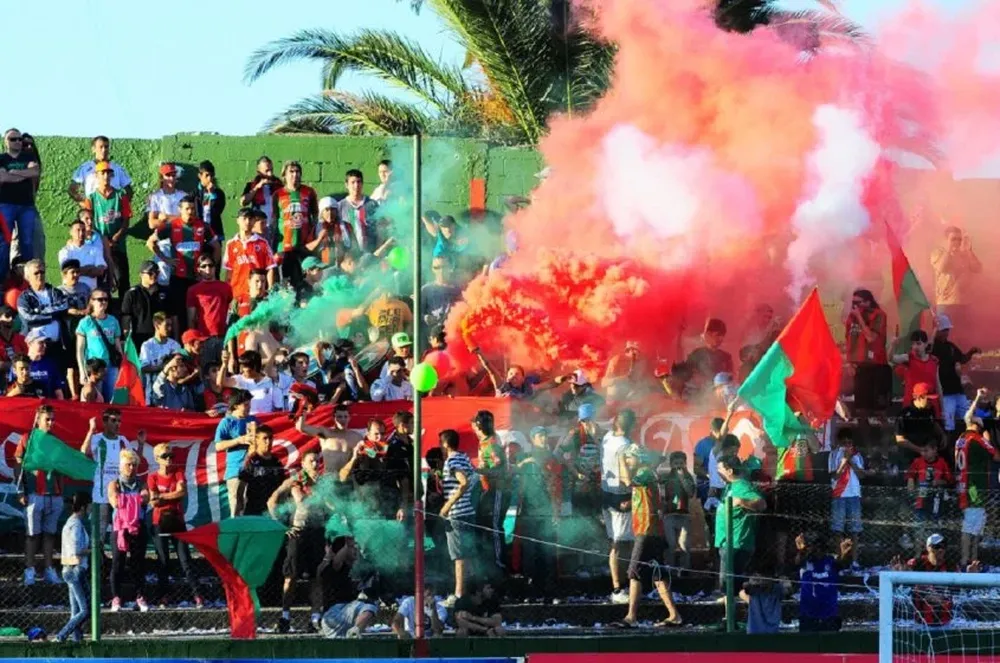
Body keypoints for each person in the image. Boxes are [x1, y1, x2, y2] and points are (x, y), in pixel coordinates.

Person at [617, 444, 682, 628]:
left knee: (634, 572)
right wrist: (631, 504)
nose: (628, 462)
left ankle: (631, 616)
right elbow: (646, 497)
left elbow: (627, 481)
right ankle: (674, 615)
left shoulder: (644, 472)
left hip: (646, 530)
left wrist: (620, 458)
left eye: (630, 458)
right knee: (658, 575)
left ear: (638, 458)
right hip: (653, 529)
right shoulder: (647, 473)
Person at [147, 195, 221, 332]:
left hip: (197, 277)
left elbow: (216, 246)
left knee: (199, 311)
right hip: (178, 277)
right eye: (187, 209)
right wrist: (165, 259)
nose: (190, 211)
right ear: (180, 210)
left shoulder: (203, 226)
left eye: (192, 208)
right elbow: (150, 242)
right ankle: (178, 340)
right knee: (177, 312)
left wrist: (211, 269)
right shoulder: (171, 226)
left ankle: (199, 337)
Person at [271, 450, 325, 633]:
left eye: (317, 461)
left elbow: (332, 505)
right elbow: (275, 501)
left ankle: (315, 619)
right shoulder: (295, 481)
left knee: (316, 577)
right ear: (302, 463)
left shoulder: (323, 483)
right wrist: (281, 526)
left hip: (317, 532)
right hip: (298, 533)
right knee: (291, 576)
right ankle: (285, 617)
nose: (315, 464)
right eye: (311, 461)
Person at [147, 443, 202, 608]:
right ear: (157, 459)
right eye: (165, 456)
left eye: (171, 456)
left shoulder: (178, 473)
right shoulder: (152, 477)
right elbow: (154, 502)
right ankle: (163, 596)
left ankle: (197, 595)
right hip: (159, 522)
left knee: (185, 560)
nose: (169, 459)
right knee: (163, 560)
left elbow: (182, 493)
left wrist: (162, 496)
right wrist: (171, 496)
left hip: (177, 521)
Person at [14, 404, 64, 585]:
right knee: (32, 535)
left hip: (54, 494)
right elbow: (18, 464)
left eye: (52, 419)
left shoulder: (56, 441)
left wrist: (60, 492)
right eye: (47, 419)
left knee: (50, 534)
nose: (50, 423)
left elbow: (62, 467)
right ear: (38, 420)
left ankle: (49, 570)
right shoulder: (27, 438)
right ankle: (29, 570)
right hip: (34, 494)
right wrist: (20, 490)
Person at [82, 408, 145, 544]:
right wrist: (91, 430)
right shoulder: (97, 438)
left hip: (121, 495)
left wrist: (140, 444)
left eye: (119, 421)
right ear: (105, 422)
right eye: (113, 420)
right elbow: (84, 452)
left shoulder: (123, 440)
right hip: (102, 494)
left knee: (122, 530)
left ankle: (119, 555)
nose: (117, 424)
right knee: (99, 532)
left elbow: (134, 461)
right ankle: (97, 556)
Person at [891, 533, 982, 627]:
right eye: (937, 546)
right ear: (928, 548)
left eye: (943, 546)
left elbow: (961, 591)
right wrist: (900, 575)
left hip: (946, 623)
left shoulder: (951, 566)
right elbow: (904, 588)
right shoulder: (917, 563)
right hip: (920, 623)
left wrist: (970, 577)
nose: (940, 549)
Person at [956, 392, 1000, 568]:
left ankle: (971, 560)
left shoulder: (961, 439)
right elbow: (996, 456)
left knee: (972, 528)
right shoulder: (977, 439)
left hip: (964, 486)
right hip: (975, 490)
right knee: (970, 529)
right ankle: (966, 561)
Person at [107, 448, 150, 612]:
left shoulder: (141, 483)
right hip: (120, 529)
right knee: (118, 563)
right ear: (121, 466)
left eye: (134, 465)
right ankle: (116, 597)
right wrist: (134, 499)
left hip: (137, 526)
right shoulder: (115, 483)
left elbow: (146, 497)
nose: (132, 468)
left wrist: (128, 499)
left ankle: (140, 596)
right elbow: (115, 501)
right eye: (128, 464)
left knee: (138, 563)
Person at [81, 161, 131, 301]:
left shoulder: (121, 195)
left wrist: (115, 237)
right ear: (96, 176)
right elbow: (88, 221)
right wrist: (103, 240)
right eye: (102, 173)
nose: (105, 176)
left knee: (122, 280)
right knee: (102, 281)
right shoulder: (91, 198)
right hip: (99, 245)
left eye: (108, 173)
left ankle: (124, 311)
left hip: (118, 244)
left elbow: (126, 219)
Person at [715, 455, 766, 590]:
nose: (717, 472)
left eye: (719, 469)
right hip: (726, 541)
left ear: (729, 471)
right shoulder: (729, 487)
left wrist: (742, 501)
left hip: (736, 542)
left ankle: (733, 601)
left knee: (729, 584)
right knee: (726, 583)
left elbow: (761, 504)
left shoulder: (742, 486)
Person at [439, 429, 477, 605]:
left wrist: (447, 506)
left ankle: (459, 594)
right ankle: (470, 592)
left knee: (459, 556)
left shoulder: (453, 460)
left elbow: (464, 482)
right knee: (468, 555)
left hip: (457, 514)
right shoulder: (465, 458)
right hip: (468, 512)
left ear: (445, 444)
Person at [471, 410, 510, 577]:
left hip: (498, 489)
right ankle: (490, 561)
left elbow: (499, 468)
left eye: (475, 425)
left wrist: (477, 470)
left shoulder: (491, 443)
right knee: (485, 524)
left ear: (478, 426)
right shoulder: (486, 441)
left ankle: (500, 563)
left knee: (494, 526)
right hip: (489, 489)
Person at [317, 537, 378, 639]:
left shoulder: (355, 569)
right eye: (352, 547)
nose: (355, 550)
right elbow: (337, 561)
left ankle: (354, 632)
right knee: (369, 605)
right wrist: (347, 543)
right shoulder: (334, 567)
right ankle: (355, 632)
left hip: (346, 616)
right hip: (335, 614)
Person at [271, 160, 318, 286]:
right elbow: (274, 220)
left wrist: (312, 237)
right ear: (284, 175)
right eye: (291, 172)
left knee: (305, 282)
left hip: (304, 246)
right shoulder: (277, 195)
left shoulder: (309, 192)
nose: (295, 175)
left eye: (297, 172)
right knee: (287, 284)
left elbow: (315, 216)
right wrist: (275, 246)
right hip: (284, 247)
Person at [795, 532, 853, 632]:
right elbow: (798, 562)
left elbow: (843, 563)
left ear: (825, 549)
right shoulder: (806, 562)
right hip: (808, 614)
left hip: (829, 614)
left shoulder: (831, 561)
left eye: (820, 548)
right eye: (813, 548)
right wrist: (801, 550)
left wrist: (844, 553)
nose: (817, 551)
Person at [931, 314, 980, 434]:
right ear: (937, 330)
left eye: (947, 329)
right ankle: (949, 443)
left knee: (967, 419)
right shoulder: (932, 348)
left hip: (958, 390)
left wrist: (971, 352)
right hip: (945, 393)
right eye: (944, 329)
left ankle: (965, 441)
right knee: (949, 424)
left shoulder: (951, 347)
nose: (946, 332)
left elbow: (962, 358)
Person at [55, 491, 92, 643]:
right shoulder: (75, 525)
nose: (91, 509)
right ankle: (61, 635)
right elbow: (76, 549)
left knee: (76, 610)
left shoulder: (73, 523)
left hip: (72, 569)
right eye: (89, 506)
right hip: (74, 569)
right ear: (83, 507)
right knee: (85, 610)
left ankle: (77, 639)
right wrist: (93, 550)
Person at [931, 226, 981, 335]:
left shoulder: (964, 254)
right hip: (945, 303)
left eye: (959, 239)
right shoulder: (938, 253)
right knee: (943, 335)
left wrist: (969, 251)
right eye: (953, 239)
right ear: (945, 240)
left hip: (964, 303)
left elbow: (978, 268)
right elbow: (942, 267)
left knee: (964, 335)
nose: (957, 242)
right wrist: (949, 249)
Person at [214, 390, 257, 517]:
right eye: (246, 405)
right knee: (236, 507)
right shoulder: (227, 422)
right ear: (236, 405)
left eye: (250, 404)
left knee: (252, 506)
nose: (249, 407)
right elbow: (218, 446)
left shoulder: (253, 420)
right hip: (236, 470)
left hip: (254, 470)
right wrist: (239, 440)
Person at [0, 128, 41, 261]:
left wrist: (13, 172)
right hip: (6, 204)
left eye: (19, 139)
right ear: (6, 141)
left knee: (27, 241)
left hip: (26, 205)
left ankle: (28, 272)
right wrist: (24, 174)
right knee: (5, 241)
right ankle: (3, 273)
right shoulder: (2, 158)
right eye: (13, 139)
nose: (18, 141)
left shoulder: (29, 157)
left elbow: (35, 172)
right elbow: (2, 177)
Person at [905, 444, 953, 558]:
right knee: (919, 530)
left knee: (935, 532)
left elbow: (950, 480)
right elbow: (910, 476)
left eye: (926, 450)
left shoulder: (942, 463)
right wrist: (911, 482)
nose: (923, 453)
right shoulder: (917, 462)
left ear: (935, 450)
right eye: (922, 451)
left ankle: (935, 558)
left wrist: (940, 482)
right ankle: (918, 557)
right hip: (920, 502)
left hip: (936, 504)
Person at [828, 428, 865, 572]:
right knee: (838, 530)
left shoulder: (857, 455)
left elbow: (862, 475)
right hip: (839, 495)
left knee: (854, 530)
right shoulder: (834, 454)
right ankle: (839, 559)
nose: (847, 445)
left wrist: (851, 461)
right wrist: (843, 462)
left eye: (849, 443)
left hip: (854, 496)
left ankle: (854, 562)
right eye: (844, 443)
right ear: (839, 443)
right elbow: (834, 476)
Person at [75, 289, 122, 402]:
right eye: (100, 299)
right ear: (92, 301)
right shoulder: (85, 322)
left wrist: (121, 365)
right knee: (95, 399)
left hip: (111, 365)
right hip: (94, 367)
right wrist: (82, 371)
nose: (104, 302)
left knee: (112, 399)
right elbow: (80, 349)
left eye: (106, 299)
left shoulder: (113, 320)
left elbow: (118, 346)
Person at [146, 163, 189, 286]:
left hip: (181, 241)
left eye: (173, 175)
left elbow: (188, 220)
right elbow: (152, 223)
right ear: (162, 177)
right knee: (162, 279)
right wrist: (176, 220)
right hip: (163, 242)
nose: (171, 178)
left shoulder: (183, 196)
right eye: (167, 175)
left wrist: (166, 218)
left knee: (182, 278)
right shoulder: (155, 197)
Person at [296, 404, 361, 480]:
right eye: (339, 417)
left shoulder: (357, 437)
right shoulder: (325, 433)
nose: (343, 420)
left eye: (345, 417)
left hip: (347, 480)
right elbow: (302, 428)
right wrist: (303, 411)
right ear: (333, 418)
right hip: (329, 480)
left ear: (349, 418)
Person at [222, 208, 276, 301]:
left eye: (250, 219)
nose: (247, 222)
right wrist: (227, 292)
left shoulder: (262, 243)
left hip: (257, 292)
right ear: (238, 220)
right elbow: (229, 271)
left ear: (254, 221)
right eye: (244, 218)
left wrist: (270, 290)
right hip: (237, 293)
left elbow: (270, 268)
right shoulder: (231, 244)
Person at [186, 254, 232, 355]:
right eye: (204, 266)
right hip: (204, 338)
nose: (208, 269)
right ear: (198, 269)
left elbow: (231, 311)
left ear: (215, 267)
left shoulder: (226, 287)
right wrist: (194, 339)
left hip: (224, 336)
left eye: (211, 265)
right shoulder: (193, 290)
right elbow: (191, 319)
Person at [17, 259, 69, 349]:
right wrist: (51, 317)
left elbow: (64, 307)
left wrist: (39, 311)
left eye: (42, 272)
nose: (40, 275)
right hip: (34, 347)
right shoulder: (24, 298)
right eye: (36, 273)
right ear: (28, 277)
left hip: (58, 345)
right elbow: (28, 318)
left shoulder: (56, 292)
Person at [895, 382, 947, 470]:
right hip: (911, 456)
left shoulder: (930, 409)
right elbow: (900, 440)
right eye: (928, 399)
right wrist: (920, 450)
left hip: (930, 454)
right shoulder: (904, 414)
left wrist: (942, 435)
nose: (931, 402)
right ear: (919, 397)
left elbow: (933, 423)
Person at [121, 260, 171, 349]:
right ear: (141, 274)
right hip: (139, 339)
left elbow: (172, 316)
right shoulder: (132, 293)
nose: (154, 275)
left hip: (161, 338)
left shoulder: (165, 292)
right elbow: (126, 318)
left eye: (157, 272)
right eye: (150, 273)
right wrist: (127, 339)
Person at [890, 330, 942, 415]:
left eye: (918, 343)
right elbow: (891, 358)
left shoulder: (934, 361)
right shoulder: (908, 358)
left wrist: (943, 409)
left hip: (930, 407)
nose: (915, 347)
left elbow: (938, 386)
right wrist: (892, 345)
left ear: (925, 344)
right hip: (911, 406)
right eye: (913, 344)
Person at [239, 424, 286, 516]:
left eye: (270, 438)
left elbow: (282, 486)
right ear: (257, 440)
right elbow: (241, 486)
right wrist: (240, 506)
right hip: (254, 511)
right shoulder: (251, 460)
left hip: (274, 511)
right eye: (264, 438)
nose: (268, 441)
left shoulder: (277, 462)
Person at [218, 349, 283, 415]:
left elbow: (278, 408)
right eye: (241, 366)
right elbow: (221, 383)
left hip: (265, 419)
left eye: (245, 367)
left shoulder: (270, 382)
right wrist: (224, 364)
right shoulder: (240, 379)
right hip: (245, 419)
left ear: (254, 367)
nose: (242, 370)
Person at [69, 135, 133, 201]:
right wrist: (84, 202)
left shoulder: (117, 169)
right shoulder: (84, 168)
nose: (104, 150)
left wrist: (121, 204)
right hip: (92, 206)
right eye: (101, 147)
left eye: (106, 147)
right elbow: (72, 189)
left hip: (112, 206)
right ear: (93, 149)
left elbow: (129, 190)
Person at [662, 450, 696, 570]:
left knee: (684, 545)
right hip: (669, 514)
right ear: (671, 464)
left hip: (684, 514)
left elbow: (690, 493)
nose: (678, 466)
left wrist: (682, 479)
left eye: (681, 463)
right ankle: (670, 570)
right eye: (676, 463)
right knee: (671, 544)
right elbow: (662, 495)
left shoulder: (688, 477)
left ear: (685, 464)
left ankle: (684, 570)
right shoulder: (666, 477)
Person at [140, 312, 182, 401]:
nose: (170, 328)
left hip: (172, 394)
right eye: (167, 325)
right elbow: (144, 368)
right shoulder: (147, 345)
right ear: (157, 325)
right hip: (152, 394)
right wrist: (165, 366)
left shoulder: (175, 345)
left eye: (171, 325)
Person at [337, 169, 381, 254]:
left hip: (370, 253)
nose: (356, 185)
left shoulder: (372, 205)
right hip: (349, 255)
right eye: (353, 182)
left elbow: (380, 228)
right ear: (346, 185)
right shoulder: (340, 206)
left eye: (359, 182)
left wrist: (378, 249)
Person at [57, 219, 106, 292]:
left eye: (83, 230)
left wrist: (76, 270)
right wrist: (90, 269)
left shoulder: (95, 250)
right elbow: (67, 271)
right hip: (70, 292)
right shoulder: (65, 251)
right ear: (71, 232)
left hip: (90, 293)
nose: (81, 233)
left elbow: (100, 271)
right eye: (78, 230)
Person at [240, 156, 281, 237]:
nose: (270, 174)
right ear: (259, 171)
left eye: (271, 170)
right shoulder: (252, 185)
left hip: (275, 225)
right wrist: (257, 187)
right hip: (258, 226)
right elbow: (243, 202)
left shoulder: (278, 184)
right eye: (267, 171)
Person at [686, 318, 734, 387]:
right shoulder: (696, 355)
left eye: (722, 335)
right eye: (718, 335)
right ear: (708, 334)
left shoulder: (726, 357)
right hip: (700, 391)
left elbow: (730, 378)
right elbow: (689, 376)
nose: (721, 339)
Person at [194, 160, 227, 241]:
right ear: (200, 176)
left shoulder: (219, 193)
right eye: (207, 175)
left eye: (211, 175)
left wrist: (211, 194)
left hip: (214, 231)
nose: (209, 178)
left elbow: (217, 211)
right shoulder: (194, 193)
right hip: (198, 232)